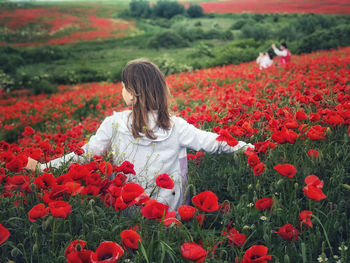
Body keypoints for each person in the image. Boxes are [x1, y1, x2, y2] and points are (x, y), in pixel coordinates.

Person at [26, 59, 254, 211]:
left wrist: (44, 168)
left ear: (133, 93)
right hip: (169, 210)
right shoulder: (176, 126)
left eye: (124, 86)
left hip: (128, 207)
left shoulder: (114, 123)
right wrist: (249, 148)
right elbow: (213, 143)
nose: (121, 90)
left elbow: (85, 154)